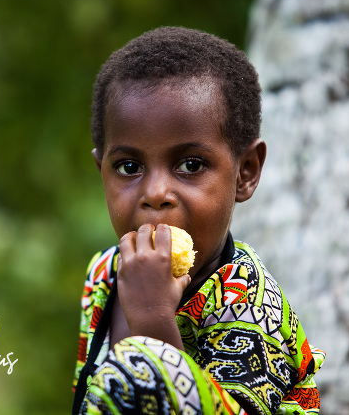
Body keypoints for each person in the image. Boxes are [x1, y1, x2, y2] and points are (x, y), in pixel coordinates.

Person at [72, 26, 325, 415]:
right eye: (128, 166)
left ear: (245, 172)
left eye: (191, 164)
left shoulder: (250, 306)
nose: (155, 193)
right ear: (100, 171)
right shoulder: (104, 274)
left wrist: (154, 320)